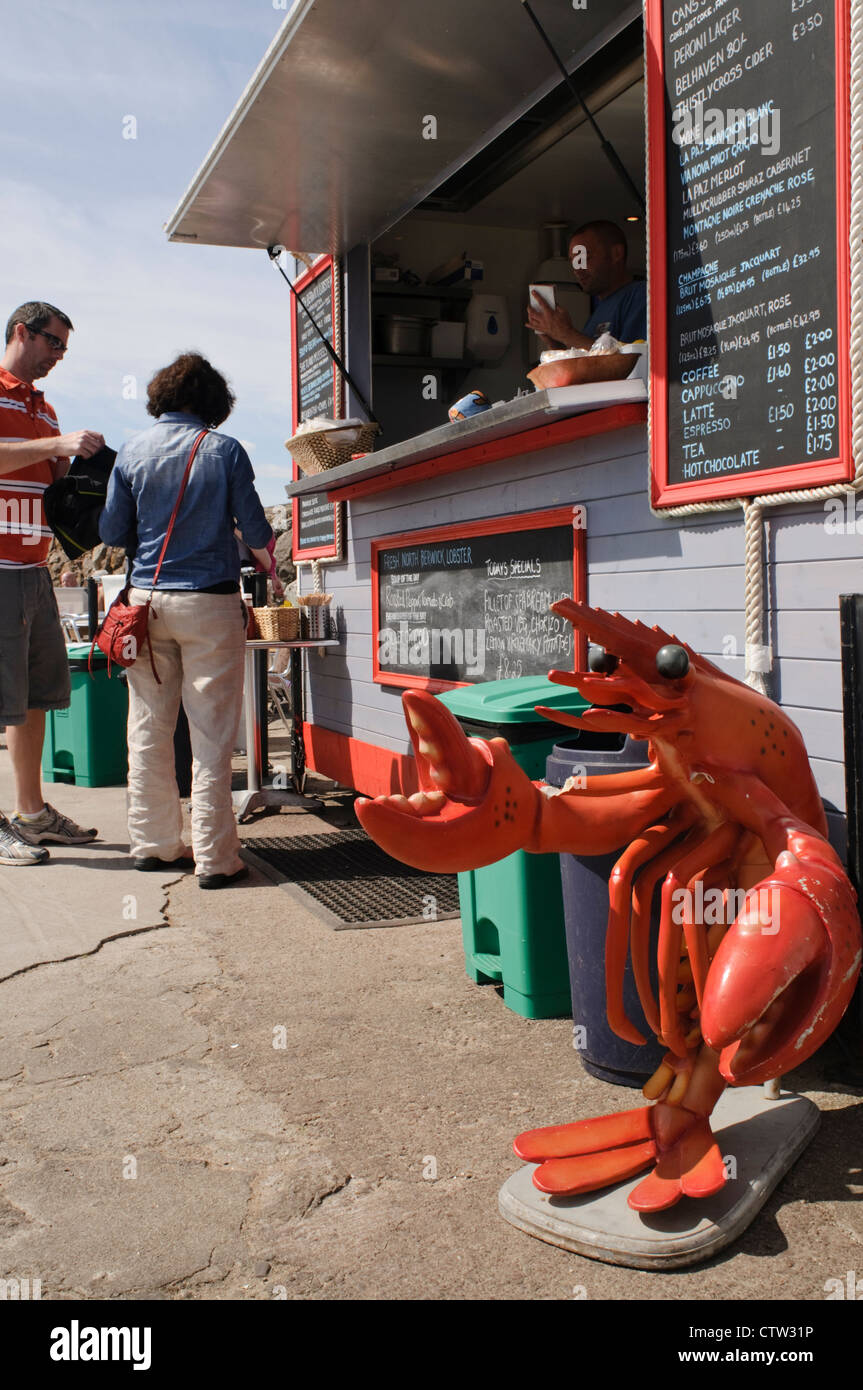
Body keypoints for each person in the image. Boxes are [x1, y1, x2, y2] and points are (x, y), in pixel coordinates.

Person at [99, 352, 282, 889]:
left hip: (145, 604)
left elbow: (111, 532)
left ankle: (153, 845)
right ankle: (216, 857)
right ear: (211, 402)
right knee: (211, 731)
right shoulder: (224, 450)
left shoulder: (132, 451)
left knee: (149, 727)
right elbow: (254, 528)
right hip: (209, 602)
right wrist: (258, 557)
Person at [0, 301, 104, 866]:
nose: (61, 356)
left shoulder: (46, 409)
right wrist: (56, 448)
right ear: (23, 331)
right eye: (54, 343)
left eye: (65, 347)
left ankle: (32, 814)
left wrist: (89, 477)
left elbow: (53, 483)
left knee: (35, 698)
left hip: (33, 568)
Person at [526, 220, 647, 350]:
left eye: (584, 258)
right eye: (574, 262)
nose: (577, 269)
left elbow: (632, 359)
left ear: (616, 253)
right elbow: (589, 364)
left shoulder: (641, 294)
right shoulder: (600, 308)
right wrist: (555, 341)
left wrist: (566, 334)